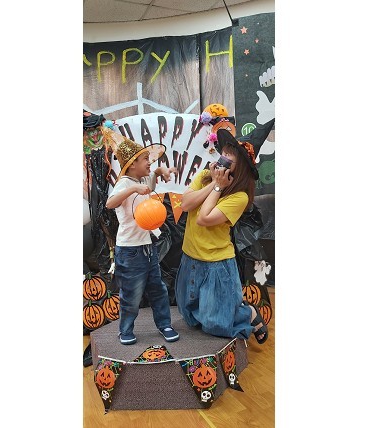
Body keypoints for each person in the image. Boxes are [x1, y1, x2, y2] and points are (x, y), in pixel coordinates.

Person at [175, 129, 268, 344]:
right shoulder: (205, 177)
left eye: (230, 157)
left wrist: (218, 186)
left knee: (216, 324)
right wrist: (213, 183)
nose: (223, 159)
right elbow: (186, 204)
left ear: (240, 167)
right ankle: (226, 308)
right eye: (223, 153)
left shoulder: (240, 197)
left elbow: (204, 218)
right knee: (188, 314)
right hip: (190, 256)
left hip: (216, 263)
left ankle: (248, 313)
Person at [106, 138, 179, 345]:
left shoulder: (142, 180)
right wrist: (132, 190)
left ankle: (165, 325)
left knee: (158, 289)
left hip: (148, 247)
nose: (150, 162)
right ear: (132, 164)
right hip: (129, 251)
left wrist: (160, 172)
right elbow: (110, 203)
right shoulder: (124, 183)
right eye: (145, 159)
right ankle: (125, 330)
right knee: (131, 295)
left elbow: (150, 182)